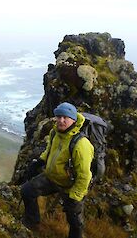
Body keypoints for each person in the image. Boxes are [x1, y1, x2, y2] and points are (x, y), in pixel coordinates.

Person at [21, 102, 94, 238]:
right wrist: (40, 161)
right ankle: (32, 222)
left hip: (70, 186)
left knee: (74, 221)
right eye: (58, 117)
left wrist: (75, 196)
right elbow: (49, 151)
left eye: (65, 117)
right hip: (51, 178)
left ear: (73, 119)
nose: (61, 120)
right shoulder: (55, 132)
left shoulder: (81, 144)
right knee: (27, 191)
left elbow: (85, 176)